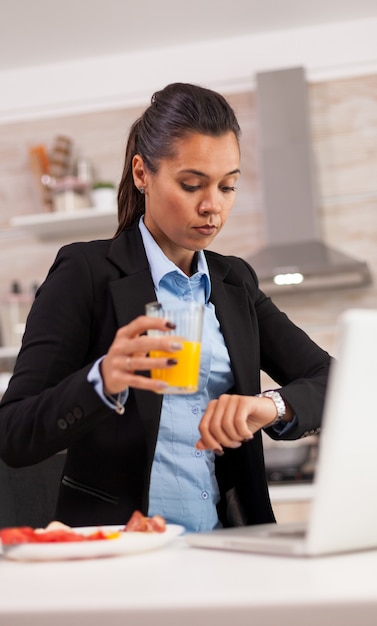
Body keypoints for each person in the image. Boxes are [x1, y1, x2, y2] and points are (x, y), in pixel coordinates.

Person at [0, 83, 331, 531]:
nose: (212, 206)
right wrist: (101, 380)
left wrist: (270, 406)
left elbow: (336, 381)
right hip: (119, 548)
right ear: (142, 173)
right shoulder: (86, 273)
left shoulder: (234, 281)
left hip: (227, 544)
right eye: (191, 184)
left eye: (228, 186)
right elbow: (13, 433)